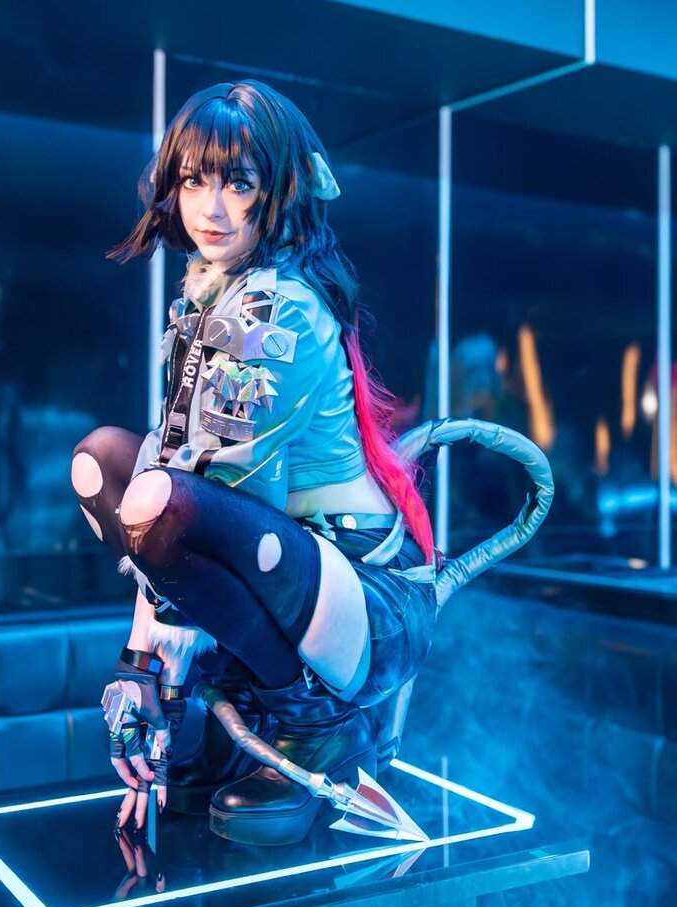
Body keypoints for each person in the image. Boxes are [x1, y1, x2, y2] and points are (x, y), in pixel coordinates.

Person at [71, 81, 437, 846]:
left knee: (164, 506)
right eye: (193, 180)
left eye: (238, 183)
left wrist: (158, 669)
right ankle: (243, 708)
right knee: (101, 462)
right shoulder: (208, 301)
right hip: (288, 571)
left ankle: (319, 730)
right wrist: (140, 667)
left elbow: (213, 497)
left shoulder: (281, 307)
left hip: (359, 603)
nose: (210, 207)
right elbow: (171, 476)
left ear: (280, 193)